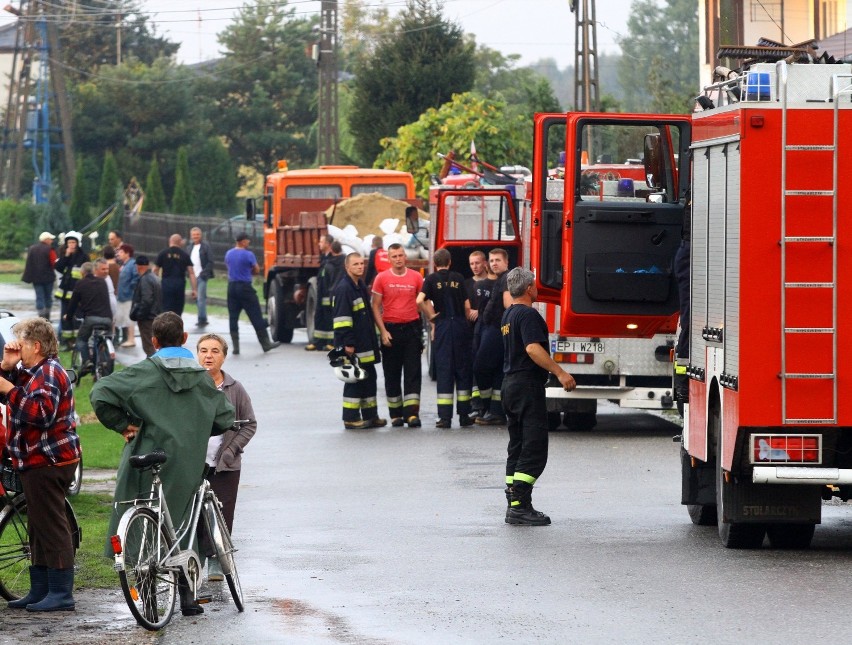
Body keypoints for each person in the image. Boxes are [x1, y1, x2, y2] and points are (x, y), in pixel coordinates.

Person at [90, 312, 234, 616]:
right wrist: (195, 428)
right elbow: (225, 418)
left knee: (145, 518)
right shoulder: (201, 379)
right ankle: (187, 598)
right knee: (183, 522)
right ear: (184, 339)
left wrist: (125, 424)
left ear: (153, 341)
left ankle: (148, 594)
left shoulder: (142, 372)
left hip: (145, 457)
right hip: (187, 462)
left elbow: (99, 392)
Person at [0, 318, 80, 611]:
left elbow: (40, 414)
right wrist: (7, 368)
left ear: (35, 345)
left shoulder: (48, 372)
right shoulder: (31, 371)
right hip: (35, 458)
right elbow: (9, 392)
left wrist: (8, 387)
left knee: (51, 524)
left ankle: (61, 593)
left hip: (49, 459)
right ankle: (41, 588)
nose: (16, 346)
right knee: (38, 523)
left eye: (20, 341)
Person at [501, 267, 576, 526]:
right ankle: (520, 506)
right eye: (534, 284)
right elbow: (533, 348)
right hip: (526, 387)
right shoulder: (528, 315)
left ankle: (515, 504)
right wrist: (560, 371)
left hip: (510, 386)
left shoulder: (508, 314)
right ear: (529, 288)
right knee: (534, 448)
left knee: (517, 446)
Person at [196, 333, 256, 581]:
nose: (208, 356)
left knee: (222, 513)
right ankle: (194, 557)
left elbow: (249, 424)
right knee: (194, 512)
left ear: (224, 356)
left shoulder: (234, 388)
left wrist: (232, 450)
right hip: (195, 463)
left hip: (225, 465)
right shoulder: (190, 386)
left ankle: (216, 560)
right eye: (203, 350)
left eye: (214, 351)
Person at [417, 248, 474, 428]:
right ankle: (464, 415)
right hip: (459, 326)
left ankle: (445, 418)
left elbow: (419, 300)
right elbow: (467, 305)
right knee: (463, 370)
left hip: (442, 327)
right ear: (450, 262)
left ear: (435, 263)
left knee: (445, 370)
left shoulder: (432, 279)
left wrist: (431, 317)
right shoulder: (458, 278)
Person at [372, 243, 424, 427]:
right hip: (391, 330)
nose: (398, 259)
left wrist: (432, 321)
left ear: (405, 256)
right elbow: (375, 306)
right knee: (391, 373)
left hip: (411, 329)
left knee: (413, 372)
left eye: (401, 255)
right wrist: (383, 331)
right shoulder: (381, 278)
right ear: (389, 258)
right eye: (394, 256)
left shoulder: (416, 277)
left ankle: (411, 414)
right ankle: (395, 414)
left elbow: (423, 302)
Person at [332, 253, 386, 430]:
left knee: (369, 378)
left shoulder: (360, 286)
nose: (360, 267)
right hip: (352, 345)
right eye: (355, 264)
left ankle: (371, 416)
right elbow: (342, 320)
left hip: (365, 344)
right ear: (347, 267)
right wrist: (347, 344)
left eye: (362, 264)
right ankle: (350, 418)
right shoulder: (344, 289)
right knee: (354, 380)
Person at [224, 233, 279, 354]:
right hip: (245, 288)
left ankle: (235, 347)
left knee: (233, 317)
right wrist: (249, 272)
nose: (249, 242)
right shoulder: (248, 255)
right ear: (243, 241)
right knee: (255, 315)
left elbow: (228, 267)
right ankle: (265, 343)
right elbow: (256, 269)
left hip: (231, 287)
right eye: (247, 240)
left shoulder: (229, 253)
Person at [473, 248, 511, 425]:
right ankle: (495, 411)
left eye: (498, 260)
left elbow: (509, 306)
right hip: (493, 329)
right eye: (492, 260)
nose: (495, 263)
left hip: (497, 330)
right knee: (497, 371)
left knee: (481, 366)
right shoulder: (501, 279)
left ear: (506, 262)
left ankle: (488, 405)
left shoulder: (507, 279)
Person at [65, 262, 113, 375]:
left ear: (82, 273)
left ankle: (87, 361)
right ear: (93, 271)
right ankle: (103, 356)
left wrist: (68, 316)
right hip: (107, 319)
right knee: (104, 337)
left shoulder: (81, 283)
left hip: (91, 319)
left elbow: (73, 303)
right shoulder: (103, 282)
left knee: (82, 339)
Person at [464, 250, 493, 418]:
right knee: (472, 368)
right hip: (470, 331)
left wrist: (479, 312)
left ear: (484, 263)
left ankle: (487, 405)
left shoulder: (492, 283)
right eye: (471, 263)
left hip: (486, 329)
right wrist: (469, 311)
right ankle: (475, 405)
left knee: (484, 367)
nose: (474, 266)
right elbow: (461, 304)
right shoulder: (467, 284)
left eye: (477, 263)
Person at [54, 231, 88, 346]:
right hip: (65, 293)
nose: (71, 245)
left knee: (77, 317)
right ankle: (66, 341)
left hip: (77, 292)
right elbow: (58, 268)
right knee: (65, 316)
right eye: (69, 242)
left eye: (73, 242)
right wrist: (67, 255)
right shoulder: (65, 255)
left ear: (78, 243)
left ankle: (77, 340)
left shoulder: (83, 256)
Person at [306, 234, 338, 351]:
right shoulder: (324, 258)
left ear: (328, 244)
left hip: (328, 295)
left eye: (321, 242)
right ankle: (317, 342)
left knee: (329, 318)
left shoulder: (333, 259)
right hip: (321, 293)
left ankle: (331, 342)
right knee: (319, 317)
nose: (319, 244)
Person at [154, 234, 196, 316]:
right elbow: (191, 273)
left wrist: (156, 284)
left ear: (170, 241)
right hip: (180, 285)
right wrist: (194, 289)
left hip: (166, 284)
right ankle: (176, 326)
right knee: (177, 310)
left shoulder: (163, 253)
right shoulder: (185, 255)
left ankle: (166, 327)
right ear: (180, 243)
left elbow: (155, 270)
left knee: (165, 309)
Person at [130, 256, 162, 357]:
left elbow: (146, 300)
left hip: (147, 318)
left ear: (138, 266)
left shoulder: (145, 279)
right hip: (155, 315)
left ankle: (154, 369)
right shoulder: (155, 277)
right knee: (153, 345)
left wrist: (140, 315)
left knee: (149, 346)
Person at [21, 232, 57, 320]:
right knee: (48, 297)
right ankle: (47, 318)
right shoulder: (50, 249)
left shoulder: (32, 249)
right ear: (46, 240)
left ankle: (41, 318)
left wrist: (28, 277)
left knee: (39, 297)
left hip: (36, 279)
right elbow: (54, 263)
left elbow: (29, 264)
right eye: (50, 239)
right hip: (48, 278)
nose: (51, 241)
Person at [188, 227, 214, 328]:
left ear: (201, 235)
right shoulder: (189, 247)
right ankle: (201, 316)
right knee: (196, 297)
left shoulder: (205, 247)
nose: (195, 236)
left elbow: (210, 261)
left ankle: (202, 319)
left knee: (201, 297)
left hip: (202, 276)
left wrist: (204, 273)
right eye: (194, 235)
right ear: (191, 236)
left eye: (197, 234)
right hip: (192, 276)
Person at [115, 244, 139, 348]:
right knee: (123, 318)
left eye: (121, 252)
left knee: (129, 318)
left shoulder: (132, 264)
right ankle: (128, 338)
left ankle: (131, 339)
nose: (118, 254)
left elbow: (136, 277)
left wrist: (130, 288)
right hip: (122, 296)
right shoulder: (125, 264)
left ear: (127, 253)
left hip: (128, 296)